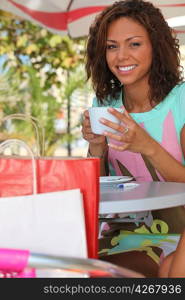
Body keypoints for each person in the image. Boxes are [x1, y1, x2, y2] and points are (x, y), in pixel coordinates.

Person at [82, 0, 185, 277]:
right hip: (119, 232)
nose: (121, 56)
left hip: (176, 234)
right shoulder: (105, 104)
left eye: (134, 44)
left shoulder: (181, 101)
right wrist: (96, 147)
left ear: (156, 46)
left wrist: (147, 145)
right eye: (112, 46)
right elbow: (97, 188)